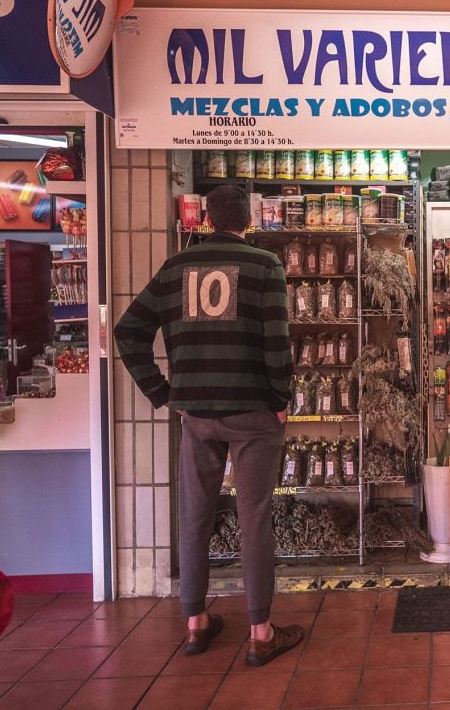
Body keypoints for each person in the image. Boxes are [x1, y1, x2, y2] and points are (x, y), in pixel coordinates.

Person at [114, 185, 304, 666]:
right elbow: (276, 343)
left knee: (195, 513)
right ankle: (261, 633)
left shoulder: (177, 267)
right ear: (249, 220)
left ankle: (195, 624)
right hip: (255, 413)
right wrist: (281, 399)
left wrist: (162, 393)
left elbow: (128, 330)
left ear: (205, 221)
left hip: (196, 414)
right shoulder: (265, 267)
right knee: (254, 516)